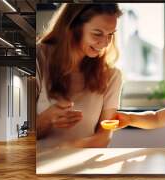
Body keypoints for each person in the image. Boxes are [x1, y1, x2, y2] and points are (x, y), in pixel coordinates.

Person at [36, 3, 123, 148]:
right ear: (73, 27)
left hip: (80, 164)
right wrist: (47, 119)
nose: (105, 43)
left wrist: (70, 149)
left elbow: (104, 135)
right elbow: (20, 134)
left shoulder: (112, 75)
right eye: (97, 33)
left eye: (110, 34)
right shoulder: (39, 57)